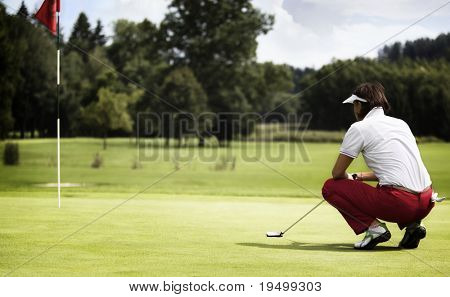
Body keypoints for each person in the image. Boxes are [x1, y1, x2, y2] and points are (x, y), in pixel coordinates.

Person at [321, 82, 437, 250]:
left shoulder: (359, 128)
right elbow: (397, 169)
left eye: (354, 104)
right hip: (426, 201)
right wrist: (359, 176)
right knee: (385, 186)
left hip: (401, 204)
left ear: (359, 104)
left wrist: (349, 180)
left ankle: (374, 229)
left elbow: (338, 173)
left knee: (330, 187)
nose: (354, 109)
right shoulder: (401, 124)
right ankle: (413, 226)